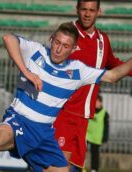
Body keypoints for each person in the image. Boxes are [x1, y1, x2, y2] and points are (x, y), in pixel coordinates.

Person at [0, 22, 132, 172]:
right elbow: (8, 38)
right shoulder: (35, 51)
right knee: (3, 133)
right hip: (21, 118)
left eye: (65, 46)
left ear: (74, 49)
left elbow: (113, 76)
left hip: (45, 133)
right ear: (51, 38)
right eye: (57, 42)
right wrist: (27, 72)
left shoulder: (78, 71)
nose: (58, 49)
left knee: (61, 170)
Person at [53, 0, 132, 170]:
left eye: (92, 10)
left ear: (99, 12)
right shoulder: (67, 36)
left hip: (83, 117)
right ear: (77, 10)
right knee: (58, 166)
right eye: (84, 10)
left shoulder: (102, 40)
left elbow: (112, 63)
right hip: (64, 112)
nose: (87, 14)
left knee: (71, 167)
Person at [86, 94, 109, 172]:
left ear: (101, 102)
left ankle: (94, 169)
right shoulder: (89, 110)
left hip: (96, 137)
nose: (95, 103)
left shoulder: (104, 113)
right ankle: (79, 167)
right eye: (94, 101)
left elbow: (106, 127)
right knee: (81, 151)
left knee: (95, 155)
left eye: (97, 102)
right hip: (87, 135)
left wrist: (105, 137)